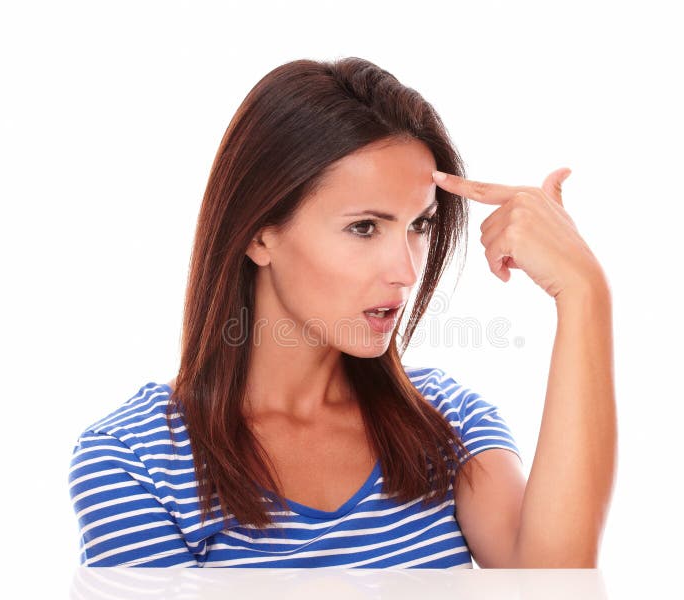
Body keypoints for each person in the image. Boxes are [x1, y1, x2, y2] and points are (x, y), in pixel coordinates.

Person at [69, 57, 616, 569]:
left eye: (419, 225)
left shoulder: (448, 424)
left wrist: (583, 293)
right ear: (260, 235)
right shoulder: (134, 464)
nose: (406, 270)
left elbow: (556, 593)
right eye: (364, 227)